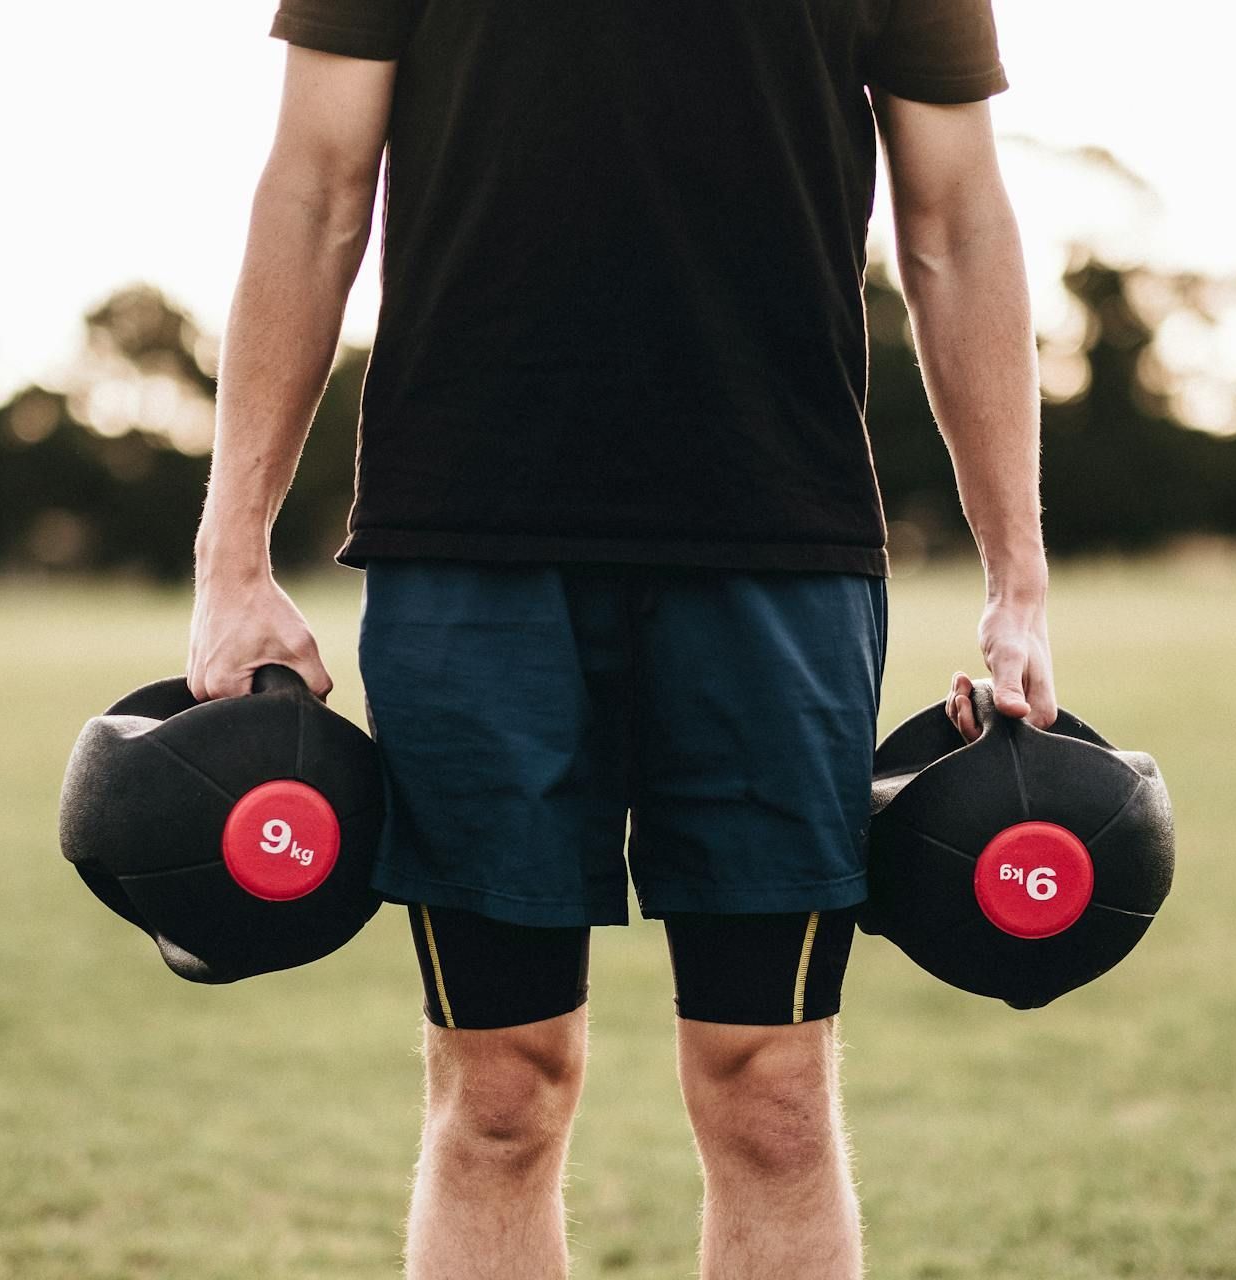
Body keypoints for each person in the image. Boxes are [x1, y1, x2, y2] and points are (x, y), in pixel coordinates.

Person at [186, 1, 1056, 1274]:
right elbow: (318, 187)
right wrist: (231, 553)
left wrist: (1017, 574)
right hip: (472, 545)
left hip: (778, 546)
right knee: (499, 1095)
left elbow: (958, 222)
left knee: (773, 1097)